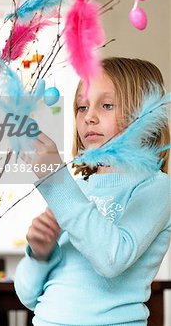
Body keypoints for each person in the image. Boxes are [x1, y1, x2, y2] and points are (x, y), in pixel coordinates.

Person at [14, 57, 171, 326]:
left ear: (146, 116)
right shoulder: (76, 189)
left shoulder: (158, 188)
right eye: (81, 107)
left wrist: (55, 179)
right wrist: (40, 255)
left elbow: (112, 258)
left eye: (106, 105)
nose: (89, 117)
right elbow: (28, 295)